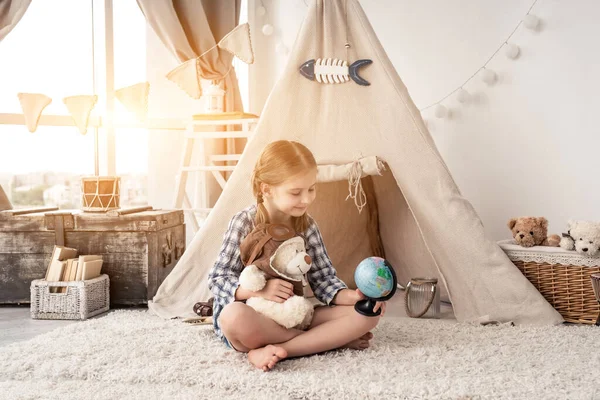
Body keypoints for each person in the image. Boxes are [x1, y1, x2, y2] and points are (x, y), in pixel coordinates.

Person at [208, 140, 385, 371]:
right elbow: (218, 279)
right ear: (266, 189)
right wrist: (258, 290)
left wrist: (353, 297)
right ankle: (325, 341)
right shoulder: (243, 222)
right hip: (255, 317)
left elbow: (323, 279)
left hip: (295, 313)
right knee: (233, 316)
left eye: (311, 189)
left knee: (367, 315)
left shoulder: (307, 225)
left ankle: (276, 350)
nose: (307, 199)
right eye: (295, 192)